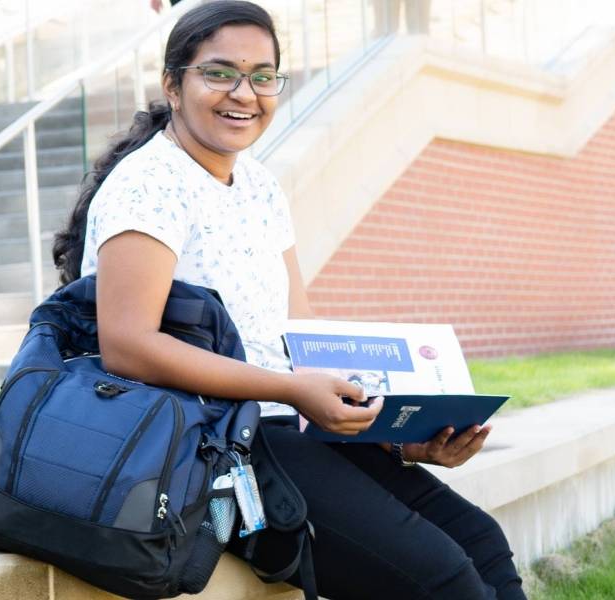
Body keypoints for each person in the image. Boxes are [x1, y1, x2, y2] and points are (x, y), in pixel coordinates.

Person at [53, 2, 526, 598]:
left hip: (284, 426)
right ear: (173, 85)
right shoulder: (148, 186)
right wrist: (290, 389)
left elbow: (300, 347)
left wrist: (395, 435)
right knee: (439, 576)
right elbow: (126, 345)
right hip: (208, 445)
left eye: (262, 75)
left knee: (480, 540)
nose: (243, 93)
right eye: (219, 72)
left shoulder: (259, 185)